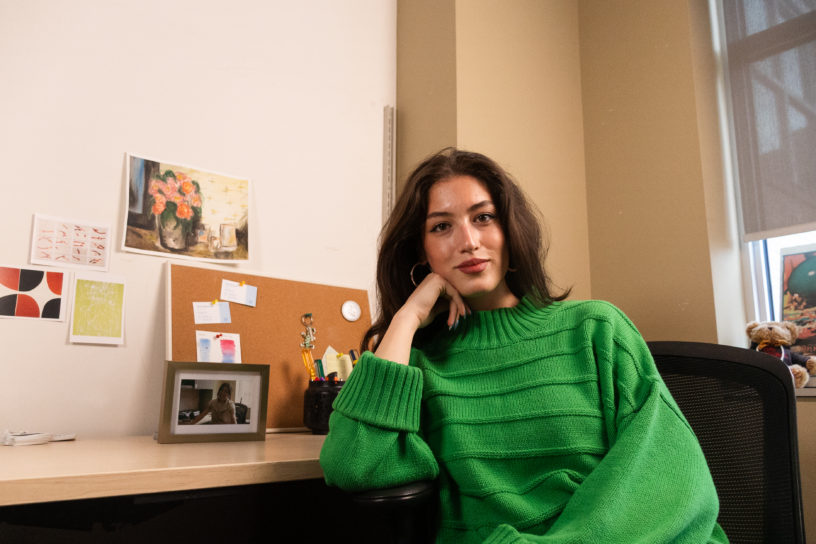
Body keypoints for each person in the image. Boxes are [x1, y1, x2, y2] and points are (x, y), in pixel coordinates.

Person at [320, 148, 728, 543]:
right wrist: (407, 317)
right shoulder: (417, 363)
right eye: (441, 226)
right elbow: (353, 464)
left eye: (483, 218)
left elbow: (672, 480)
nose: (468, 241)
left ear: (510, 231)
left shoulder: (595, 329)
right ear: (420, 251)